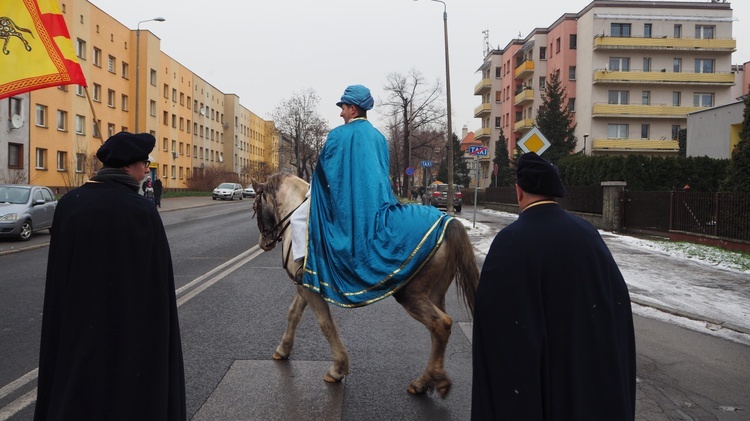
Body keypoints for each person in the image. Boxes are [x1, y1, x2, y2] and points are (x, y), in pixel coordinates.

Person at [471, 152, 636, 420]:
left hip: (538, 396)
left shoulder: (511, 241)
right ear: (555, 192)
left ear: (519, 192)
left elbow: (497, 333)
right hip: (586, 390)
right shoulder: (588, 235)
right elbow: (615, 305)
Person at [34, 132, 186, 420]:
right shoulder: (141, 210)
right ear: (128, 166)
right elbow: (156, 286)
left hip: (76, 323)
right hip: (127, 331)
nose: (146, 170)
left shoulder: (69, 203)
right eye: (144, 163)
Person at [295, 84, 452, 307]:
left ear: (353, 109)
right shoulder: (379, 138)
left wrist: (322, 196)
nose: (340, 113)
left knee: (298, 217)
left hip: (350, 206)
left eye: (343, 107)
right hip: (378, 204)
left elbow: (324, 175)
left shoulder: (337, 135)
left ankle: (305, 268)